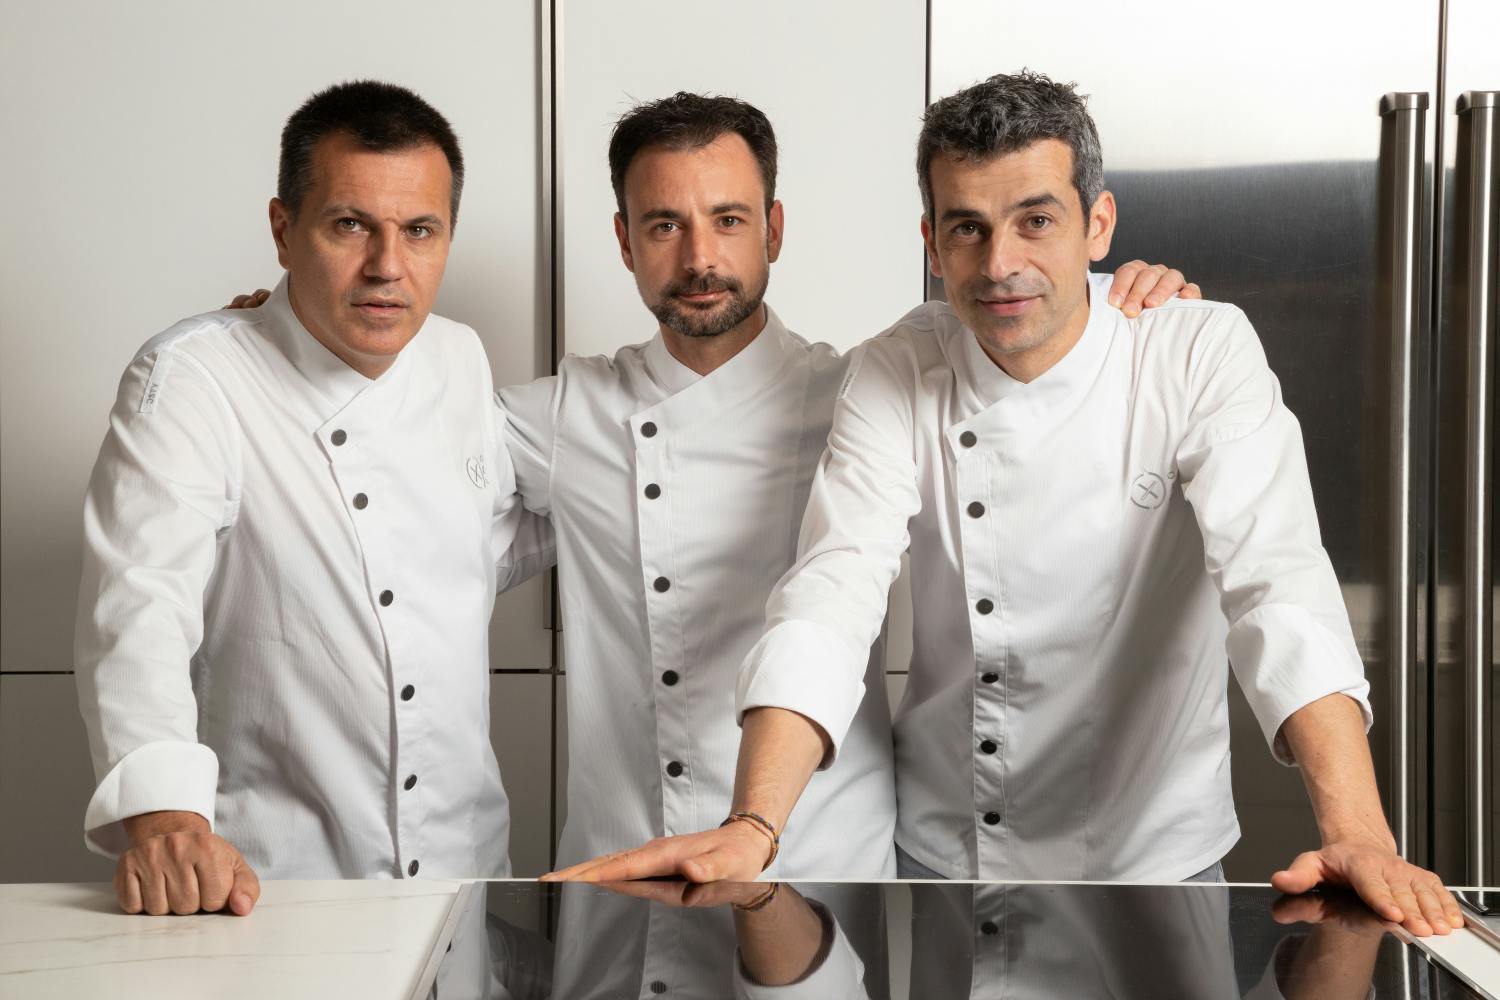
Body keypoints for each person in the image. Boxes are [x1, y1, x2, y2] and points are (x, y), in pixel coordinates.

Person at [544, 72, 1465, 939]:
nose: (1001, 263)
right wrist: (754, 823)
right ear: (931, 243)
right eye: (968, 228)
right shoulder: (896, 369)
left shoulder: (1196, 352)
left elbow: (1278, 585)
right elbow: (832, 591)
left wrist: (1358, 832)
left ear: (1098, 224)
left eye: (1036, 221)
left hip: (1154, 857)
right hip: (947, 857)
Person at [495, 93, 1193, 879]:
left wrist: (1117, 306)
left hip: (827, 855)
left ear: (775, 229)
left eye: (729, 220)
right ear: (624, 242)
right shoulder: (561, 415)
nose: (699, 258)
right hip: (619, 853)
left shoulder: (863, 391)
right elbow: (414, 520)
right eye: (664, 225)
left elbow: (834, 593)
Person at [75, 80, 551, 916]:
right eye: (349, 226)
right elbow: (140, 604)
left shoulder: (460, 358)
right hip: (271, 895)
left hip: (466, 879)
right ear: (282, 228)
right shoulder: (194, 378)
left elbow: (471, 547)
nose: (387, 267)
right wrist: (164, 822)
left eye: (419, 231)